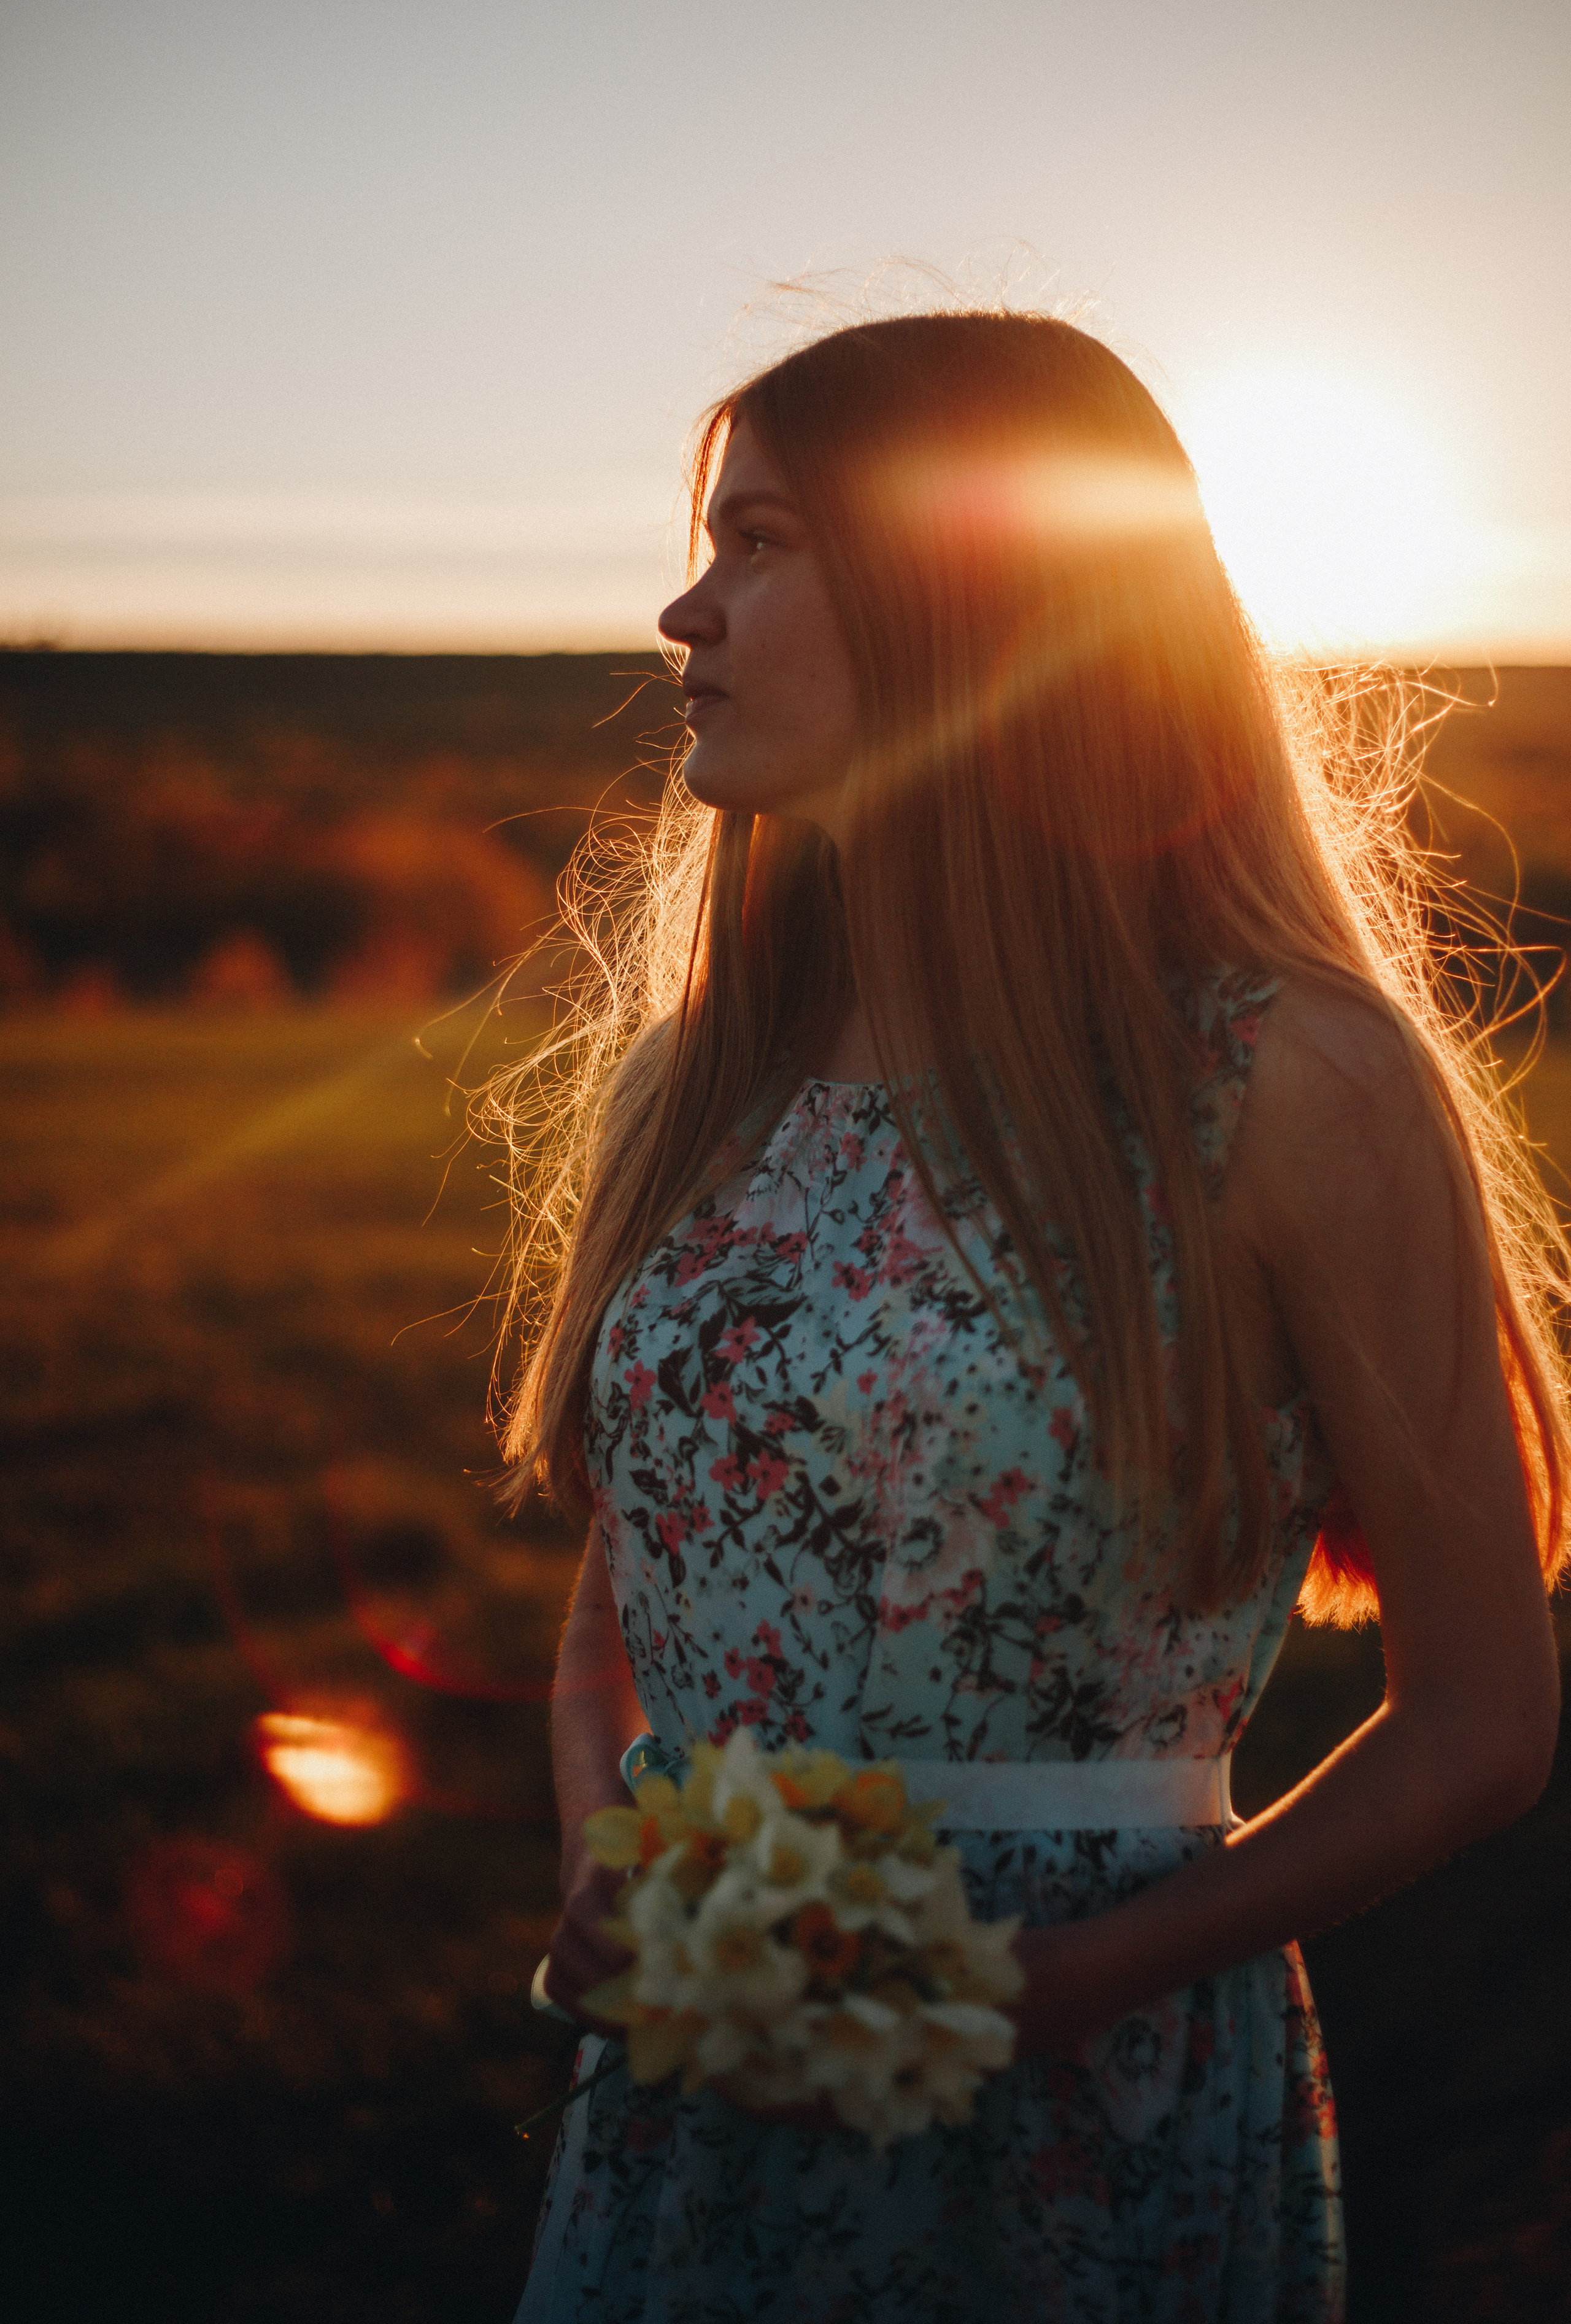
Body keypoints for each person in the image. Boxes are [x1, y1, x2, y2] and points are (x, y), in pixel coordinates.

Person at [493, 310, 1566, 2323]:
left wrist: (1042, 1995)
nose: (682, 611)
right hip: (692, 2116)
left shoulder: (1283, 1081)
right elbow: (616, 1627)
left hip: (1090, 2116)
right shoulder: (696, 1080)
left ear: (976, 598)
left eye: (763, 544)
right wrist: (618, 1884)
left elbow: (1483, 1731)